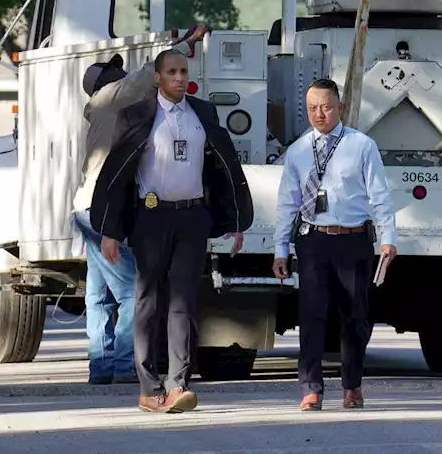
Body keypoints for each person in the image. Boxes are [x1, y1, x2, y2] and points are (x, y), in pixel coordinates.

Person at [90, 47, 253, 414]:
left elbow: (222, 169)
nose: (180, 78)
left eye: (184, 71)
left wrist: (234, 222)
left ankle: (178, 384)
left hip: (192, 218)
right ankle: (149, 388)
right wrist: (111, 230)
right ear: (158, 78)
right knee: (148, 301)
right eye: (173, 72)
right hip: (150, 219)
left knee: (183, 301)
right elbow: (118, 174)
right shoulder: (136, 115)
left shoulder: (204, 114)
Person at [71, 25, 210, 386]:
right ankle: (121, 365)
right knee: (135, 292)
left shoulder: (101, 111)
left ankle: (100, 366)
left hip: (84, 207)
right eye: (115, 72)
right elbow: (148, 72)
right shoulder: (113, 97)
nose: (122, 74)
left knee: (99, 296)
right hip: (102, 210)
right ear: (108, 82)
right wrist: (186, 45)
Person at [272, 78, 398, 411]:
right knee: (312, 314)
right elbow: (288, 201)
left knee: (356, 316)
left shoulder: (361, 145)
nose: (319, 114)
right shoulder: (298, 150)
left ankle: (352, 385)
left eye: (326, 107)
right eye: (312, 108)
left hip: (353, 240)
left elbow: (379, 195)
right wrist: (281, 248)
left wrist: (388, 238)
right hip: (313, 239)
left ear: (340, 107)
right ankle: (310, 388)